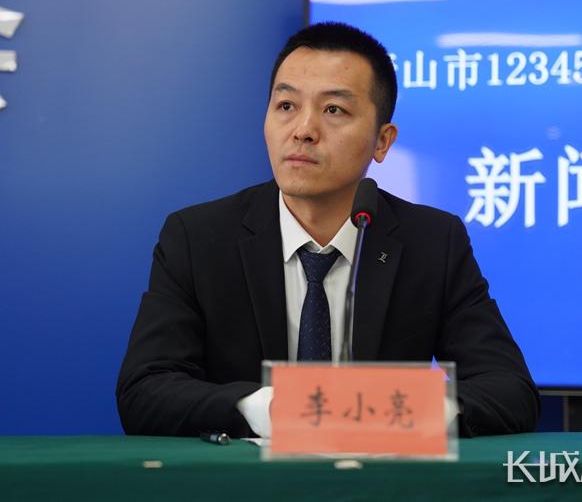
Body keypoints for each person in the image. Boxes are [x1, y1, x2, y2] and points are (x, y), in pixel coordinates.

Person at [116, 22, 539, 439]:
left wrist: (396, 413)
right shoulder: (198, 238)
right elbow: (145, 390)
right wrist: (280, 410)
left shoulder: (432, 242)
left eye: (334, 110)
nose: (303, 130)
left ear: (383, 141)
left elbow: (510, 390)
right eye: (286, 106)